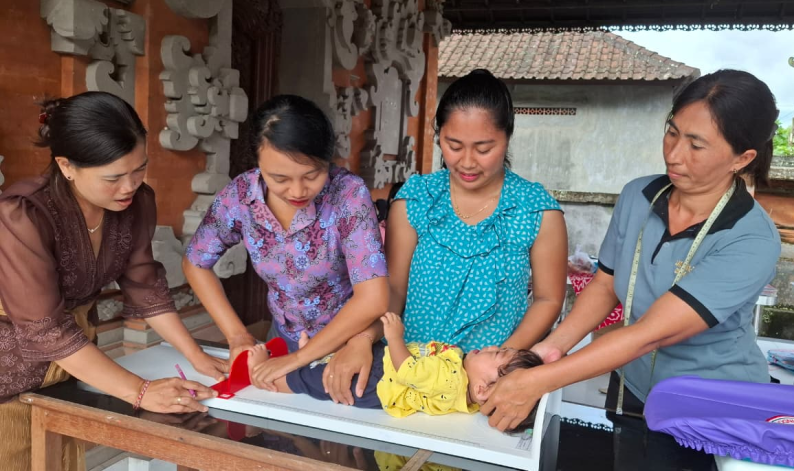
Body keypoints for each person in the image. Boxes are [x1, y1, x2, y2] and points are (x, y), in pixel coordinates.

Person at [480, 69, 783, 430]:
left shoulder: (750, 239)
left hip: (713, 402)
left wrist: (541, 380)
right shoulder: (638, 196)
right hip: (634, 385)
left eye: (696, 145)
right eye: (671, 133)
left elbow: (649, 334)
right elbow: (605, 286)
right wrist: (551, 348)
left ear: (741, 158)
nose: (674, 154)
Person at [0, 92, 221, 470]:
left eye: (139, 169)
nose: (129, 186)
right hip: (9, 369)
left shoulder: (136, 204)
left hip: (69, 368)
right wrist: (141, 391)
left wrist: (197, 354)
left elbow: (144, 284)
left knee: (60, 459)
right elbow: (45, 329)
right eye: (113, 177)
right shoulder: (22, 216)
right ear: (66, 166)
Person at [322, 69, 568, 405]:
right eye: (454, 146)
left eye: (484, 148)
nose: (467, 162)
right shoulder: (417, 199)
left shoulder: (537, 210)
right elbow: (393, 289)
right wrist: (363, 339)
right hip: (407, 376)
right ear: (439, 137)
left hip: (489, 388)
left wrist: (506, 366)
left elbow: (547, 299)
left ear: (507, 137)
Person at [183, 94, 389, 392]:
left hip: (350, 342)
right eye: (279, 178)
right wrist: (237, 336)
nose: (297, 190)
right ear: (257, 162)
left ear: (327, 160)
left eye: (312, 175)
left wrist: (298, 361)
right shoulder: (241, 196)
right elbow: (195, 263)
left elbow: (373, 299)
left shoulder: (348, 194)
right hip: (282, 339)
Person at [246, 312, 542, 431]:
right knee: (338, 359)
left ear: (482, 389)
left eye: (496, 354)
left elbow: (409, 371)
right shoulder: (459, 379)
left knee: (319, 383)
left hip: (378, 380)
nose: (491, 346)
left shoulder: (452, 381)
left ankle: (267, 377)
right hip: (382, 367)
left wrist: (395, 336)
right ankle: (312, 353)